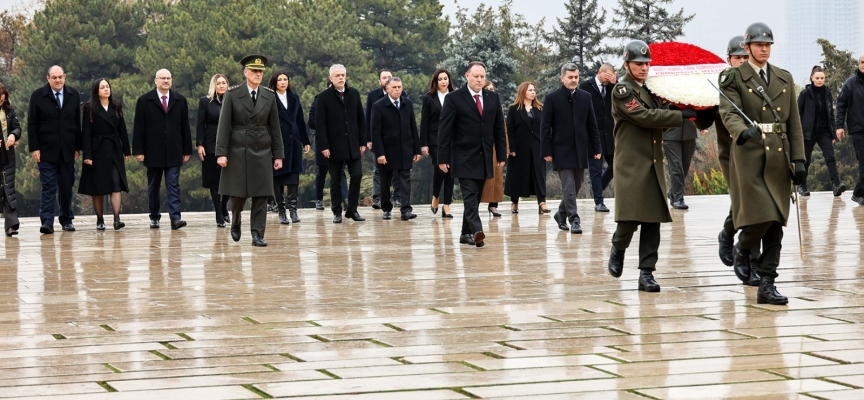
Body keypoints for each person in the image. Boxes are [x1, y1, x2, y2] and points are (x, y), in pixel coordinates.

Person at [606, 40, 708, 292]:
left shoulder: (651, 91)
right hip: (631, 163)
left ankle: (646, 273)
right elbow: (644, 117)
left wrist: (685, 105)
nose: (643, 68)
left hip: (652, 161)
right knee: (629, 219)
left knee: (652, 220)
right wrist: (678, 116)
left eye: (646, 64)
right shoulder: (622, 91)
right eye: (638, 64)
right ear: (626, 64)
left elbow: (660, 115)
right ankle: (618, 248)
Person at [720, 22, 806, 305]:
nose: (764, 49)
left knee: (776, 221)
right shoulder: (732, 77)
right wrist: (742, 131)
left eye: (767, 45)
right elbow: (729, 112)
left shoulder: (783, 77)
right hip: (750, 154)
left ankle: (767, 283)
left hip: (778, 155)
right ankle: (743, 247)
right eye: (758, 45)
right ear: (747, 47)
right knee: (762, 213)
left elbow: (794, 124)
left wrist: (799, 159)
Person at [215, 55, 284, 247]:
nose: (258, 74)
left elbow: (275, 128)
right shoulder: (232, 94)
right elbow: (224, 125)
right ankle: (235, 221)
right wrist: (221, 153)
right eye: (254, 71)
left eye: (260, 71)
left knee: (261, 194)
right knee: (238, 195)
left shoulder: (269, 95)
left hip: (262, 150)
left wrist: (278, 155)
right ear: (245, 73)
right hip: (238, 150)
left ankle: (257, 234)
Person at [438, 61, 507, 248]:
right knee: (470, 195)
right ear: (467, 76)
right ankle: (477, 231)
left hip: (484, 156)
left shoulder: (493, 98)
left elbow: (499, 128)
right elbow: (444, 131)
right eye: (475, 76)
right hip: (463, 157)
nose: (479, 79)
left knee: (475, 199)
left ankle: (465, 233)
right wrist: (442, 158)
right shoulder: (454, 98)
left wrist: (501, 154)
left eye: (482, 76)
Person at [717, 35, 763, 279]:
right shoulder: (723, 83)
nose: (743, 61)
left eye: (746, 57)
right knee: (747, 204)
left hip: (757, 151)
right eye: (738, 58)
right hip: (731, 155)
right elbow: (704, 119)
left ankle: (729, 236)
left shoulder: (759, 82)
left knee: (753, 204)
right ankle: (750, 259)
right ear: (729, 59)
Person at [541, 63, 602, 234]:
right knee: (568, 185)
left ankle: (560, 214)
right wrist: (546, 150)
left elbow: (592, 125)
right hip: (561, 149)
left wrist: (597, 148)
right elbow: (545, 127)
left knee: (577, 184)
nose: (574, 80)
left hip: (581, 149)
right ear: (562, 78)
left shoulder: (585, 97)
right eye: (570, 77)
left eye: (576, 77)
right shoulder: (552, 98)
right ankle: (574, 219)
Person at [132, 68, 192, 230]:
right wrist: (138, 150)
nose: (166, 81)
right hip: (153, 151)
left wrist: (187, 150)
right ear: (155, 80)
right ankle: (154, 216)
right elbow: (139, 128)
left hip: (174, 151)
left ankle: (175, 218)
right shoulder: (144, 100)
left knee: (173, 184)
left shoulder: (180, 100)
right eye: (163, 78)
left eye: (168, 78)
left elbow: (185, 127)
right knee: (154, 186)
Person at [27, 65, 81, 234]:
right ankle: (47, 222)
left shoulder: (73, 95)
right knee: (48, 186)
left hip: (67, 150)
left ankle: (66, 219)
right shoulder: (38, 96)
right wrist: (34, 148)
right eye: (54, 77)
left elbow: (76, 123)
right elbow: (32, 124)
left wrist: (77, 147)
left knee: (66, 186)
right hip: (46, 150)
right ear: (48, 78)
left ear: (64, 77)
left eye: (60, 77)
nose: (58, 80)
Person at [78, 78, 131, 231]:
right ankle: (100, 219)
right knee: (98, 187)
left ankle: (116, 219)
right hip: (97, 151)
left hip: (114, 149)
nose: (106, 89)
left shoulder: (116, 105)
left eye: (107, 86)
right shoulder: (89, 108)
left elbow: (122, 128)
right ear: (96, 91)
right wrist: (87, 155)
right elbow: (86, 133)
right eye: (102, 87)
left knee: (116, 183)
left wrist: (126, 149)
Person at [316, 64, 367, 223]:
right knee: (336, 180)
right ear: (331, 78)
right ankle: (337, 211)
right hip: (334, 145)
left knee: (357, 175)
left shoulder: (354, 94)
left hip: (353, 144)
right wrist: (324, 146)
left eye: (343, 75)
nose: (341, 78)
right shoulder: (323, 98)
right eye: (337, 75)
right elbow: (320, 124)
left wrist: (363, 142)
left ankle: (352, 209)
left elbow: (361, 119)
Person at [370, 77, 421, 220]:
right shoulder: (378, 106)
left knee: (405, 179)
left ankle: (406, 209)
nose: (397, 90)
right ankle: (386, 208)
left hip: (405, 148)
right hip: (386, 150)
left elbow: (413, 128)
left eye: (399, 87)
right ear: (387, 89)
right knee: (385, 181)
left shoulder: (407, 104)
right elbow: (376, 132)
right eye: (394, 87)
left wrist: (416, 149)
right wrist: (379, 153)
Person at [269, 70, 311, 224]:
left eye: (285, 79)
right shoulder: (269, 98)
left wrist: (305, 141)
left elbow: (300, 120)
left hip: (294, 142)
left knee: (294, 177)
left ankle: (293, 210)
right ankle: (281, 211)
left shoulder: (294, 97)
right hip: (278, 143)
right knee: (278, 178)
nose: (283, 82)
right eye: (279, 79)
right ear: (274, 82)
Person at [799, 66, 845, 197]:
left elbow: (831, 113)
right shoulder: (805, 94)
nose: (820, 80)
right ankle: (802, 186)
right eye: (817, 78)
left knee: (830, 157)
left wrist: (833, 132)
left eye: (822, 78)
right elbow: (798, 113)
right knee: (806, 159)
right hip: (808, 132)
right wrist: (799, 132)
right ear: (812, 78)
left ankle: (836, 185)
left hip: (824, 131)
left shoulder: (827, 93)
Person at [505, 82, 547, 214]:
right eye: (530, 90)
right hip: (519, 148)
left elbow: (545, 128)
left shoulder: (540, 108)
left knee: (539, 175)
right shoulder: (514, 109)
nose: (533, 92)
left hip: (537, 147)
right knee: (517, 175)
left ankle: (542, 202)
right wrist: (511, 148)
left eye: (534, 90)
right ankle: (515, 202)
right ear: (523, 92)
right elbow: (510, 129)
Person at [580, 63, 617, 212]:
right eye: (606, 76)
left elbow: (624, 98)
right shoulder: (586, 86)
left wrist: (615, 85)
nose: (608, 79)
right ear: (599, 73)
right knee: (595, 169)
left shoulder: (614, 88)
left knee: (616, 166)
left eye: (611, 75)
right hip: (593, 137)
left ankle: (599, 187)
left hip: (610, 136)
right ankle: (599, 202)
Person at [196, 74, 231, 227]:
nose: (222, 85)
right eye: (219, 83)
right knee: (214, 182)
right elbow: (200, 123)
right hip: (211, 144)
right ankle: (218, 213)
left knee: (231, 180)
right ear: (214, 86)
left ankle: (224, 206)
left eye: (224, 83)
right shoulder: (205, 101)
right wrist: (200, 144)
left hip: (231, 144)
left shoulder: (233, 101)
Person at [420, 68, 455, 218]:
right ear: (435, 81)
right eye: (440, 79)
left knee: (451, 173)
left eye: (445, 79)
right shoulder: (429, 98)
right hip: (434, 141)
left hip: (452, 140)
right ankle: (435, 196)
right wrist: (424, 144)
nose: (443, 81)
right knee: (440, 169)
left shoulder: (454, 97)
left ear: (449, 81)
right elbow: (424, 122)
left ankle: (447, 205)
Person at [308, 80, 348, 211]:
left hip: (339, 141)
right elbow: (311, 122)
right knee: (322, 172)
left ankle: (345, 199)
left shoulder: (344, 99)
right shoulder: (318, 100)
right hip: (323, 140)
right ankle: (319, 199)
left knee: (341, 171)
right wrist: (324, 125)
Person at [366, 69, 400, 209]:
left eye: (389, 77)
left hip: (397, 140)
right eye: (384, 77)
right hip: (379, 139)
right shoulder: (373, 96)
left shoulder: (400, 94)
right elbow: (368, 118)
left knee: (397, 170)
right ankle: (378, 198)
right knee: (378, 170)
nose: (387, 79)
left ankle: (397, 197)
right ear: (380, 81)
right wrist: (368, 139)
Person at [837, 55, 864, 206]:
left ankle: (859, 193)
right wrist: (839, 126)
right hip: (858, 129)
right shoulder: (850, 83)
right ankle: (859, 193)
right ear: (859, 64)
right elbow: (841, 106)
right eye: (862, 62)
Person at [480, 79, 506, 217]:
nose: (490, 91)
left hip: (495, 147)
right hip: (481, 145)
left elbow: (502, 129)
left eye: (492, 89)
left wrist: (505, 148)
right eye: (487, 88)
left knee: (496, 178)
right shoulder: (477, 104)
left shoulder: (497, 105)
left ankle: (493, 205)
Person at [664, 119, 700, 210]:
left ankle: (672, 191)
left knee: (685, 166)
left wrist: (702, 126)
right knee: (676, 167)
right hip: (670, 133)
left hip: (689, 132)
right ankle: (678, 199)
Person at [0, 83, 21, 236]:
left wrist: (13, 135)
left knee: (9, 188)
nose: (1, 103)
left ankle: (11, 224)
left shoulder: (9, 110)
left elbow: (17, 127)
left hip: (8, 154)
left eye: (2, 100)